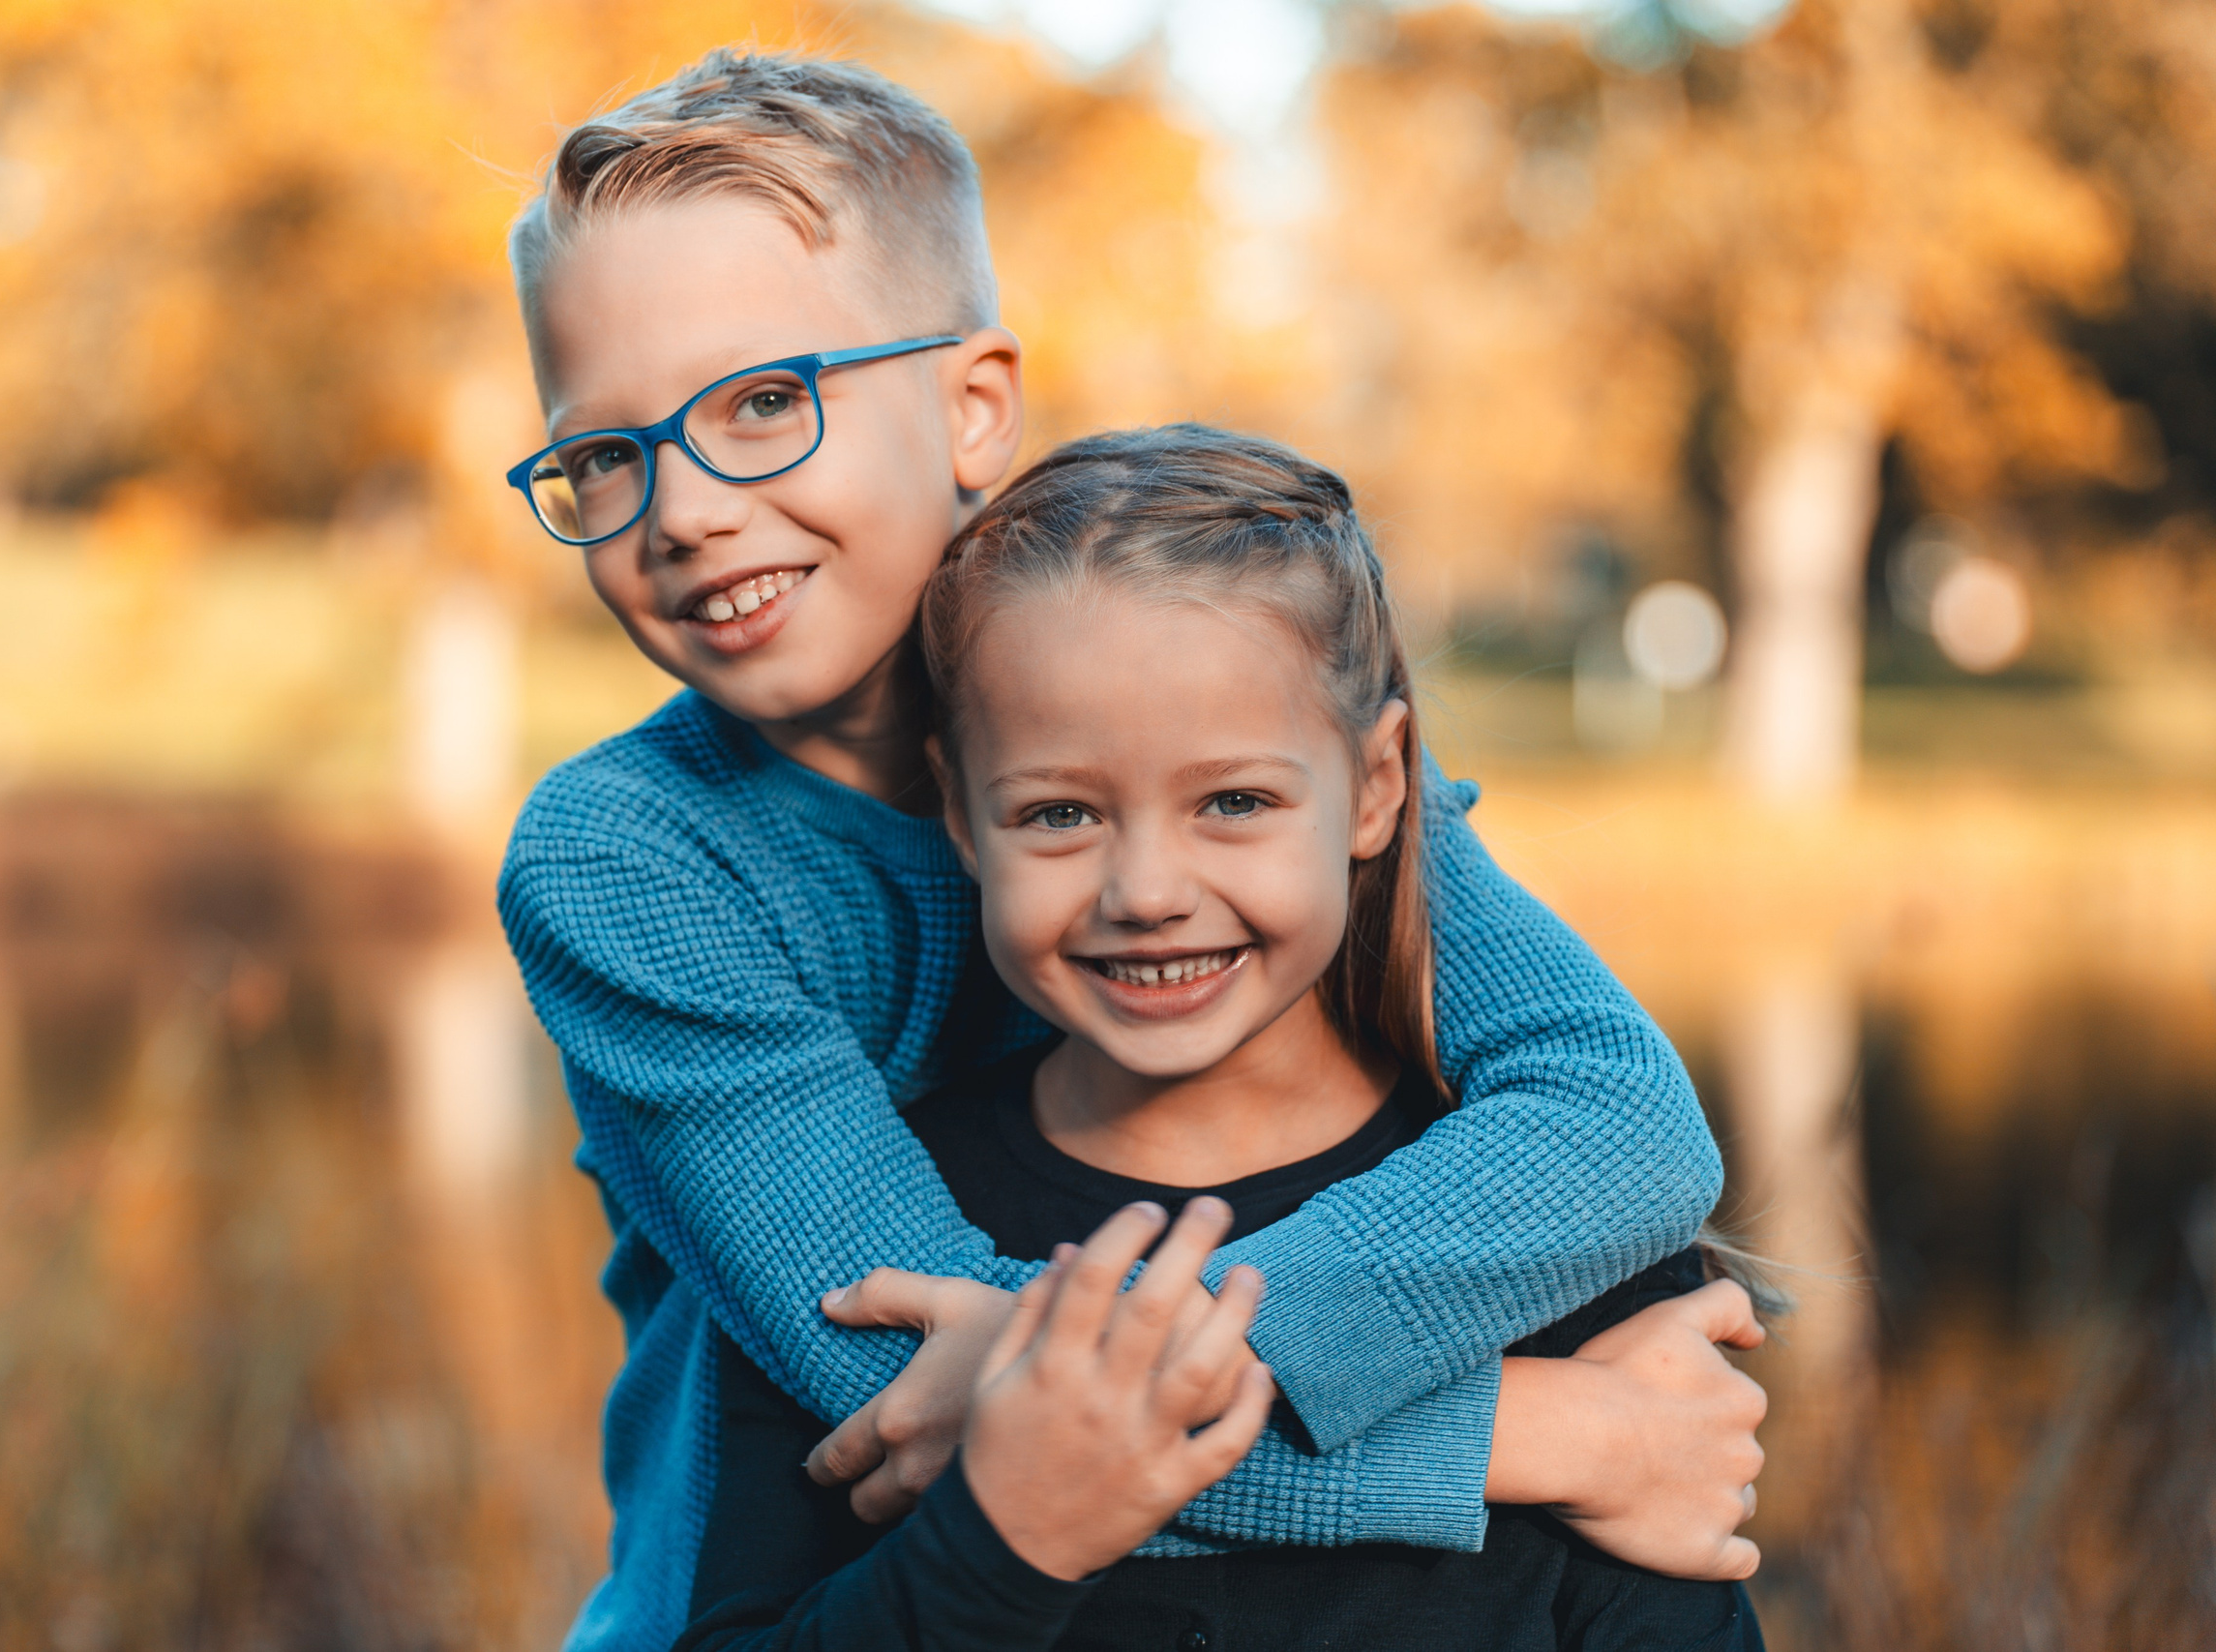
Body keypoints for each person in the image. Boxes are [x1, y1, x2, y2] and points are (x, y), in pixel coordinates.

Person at [495, 50, 1754, 1652]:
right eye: (604, 455)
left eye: (763, 403)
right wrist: (1545, 1439)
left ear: (974, 406)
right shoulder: (631, 865)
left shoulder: (1198, 677)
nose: (677, 511)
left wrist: (1186, 1359)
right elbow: (926, 1400)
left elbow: (1619, 1123)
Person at [675, 426, 1771, 1650]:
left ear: (1375, 787)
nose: (1145, 888)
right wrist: (1003, 1537)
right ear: (961, 817)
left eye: (1233, 801)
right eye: (1057, 812)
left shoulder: (1556, 1251)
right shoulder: (881, 1243)